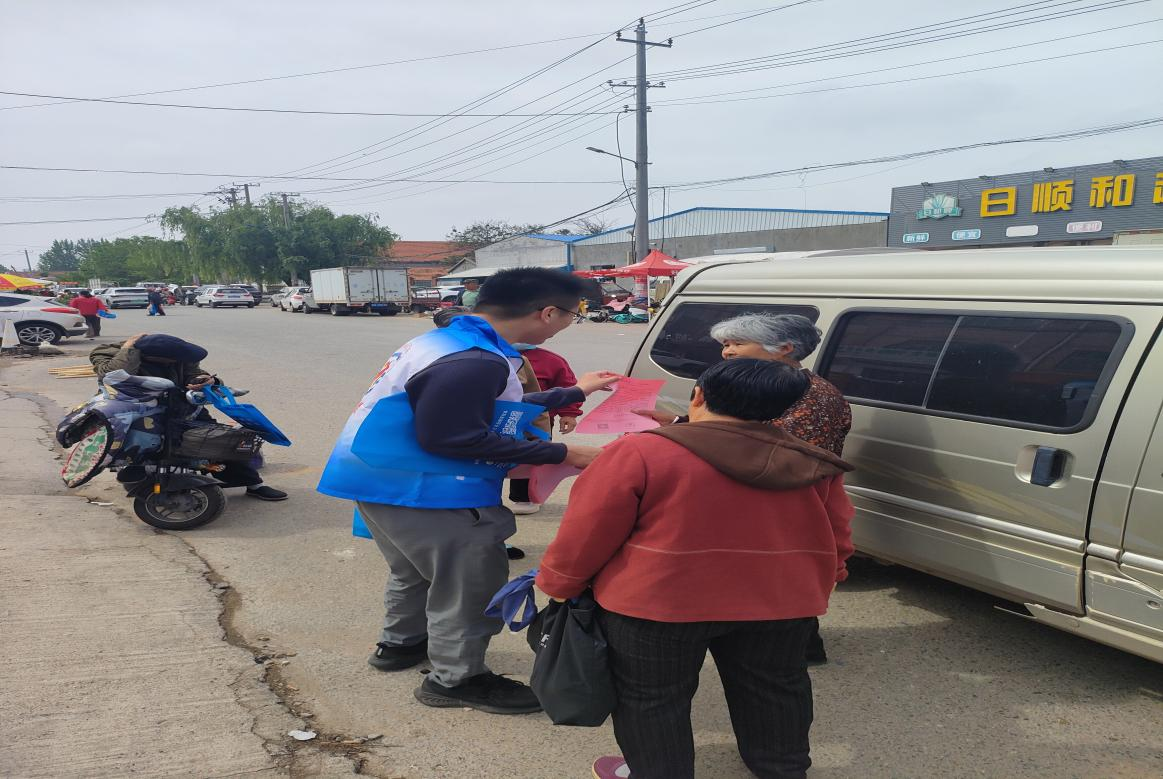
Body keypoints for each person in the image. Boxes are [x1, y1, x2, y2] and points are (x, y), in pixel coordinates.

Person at [317, 268, 620, 715]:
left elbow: (483, 408)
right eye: (573, 315)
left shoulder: (451, 341)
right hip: (432, 491)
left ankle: (401, 645)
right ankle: (456, 679)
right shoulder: (475, 360)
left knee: (415, 573)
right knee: (468, 586)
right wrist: (564, 453)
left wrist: (572, 392)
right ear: (547, 312)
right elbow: (453, 436)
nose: (568, 324)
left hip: (381, 479)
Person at [538, 359, 854, 779]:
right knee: (775, 687)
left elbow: (588, 531)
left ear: (699, 396)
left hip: (655, 604)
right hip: (781, 603)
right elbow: (836, 533)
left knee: (652, 697)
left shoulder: (641, 452)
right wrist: (829, 576)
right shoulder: (808, 461)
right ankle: (782, 769)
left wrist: (560, 582)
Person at [635, 313, 852, 665]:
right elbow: (742, 431)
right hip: (764, 494)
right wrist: (678, 422)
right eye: (725, 344)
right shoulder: (765, 384)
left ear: (784, 349)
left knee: (781, 578)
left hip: (787, 498)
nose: (728, 352)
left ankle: (800, 646)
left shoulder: (813, 396)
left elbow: (763, 445)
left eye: (738, 343)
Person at [90, 333, 288, 502]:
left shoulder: (180, 355)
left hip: (181, 407)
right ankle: (143, 475)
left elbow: (195, 374)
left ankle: (253, 484)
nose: (175, 363)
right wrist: (129, 349)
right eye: (170, 361)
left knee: (219, 440)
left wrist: (204, 380)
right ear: (153, 356)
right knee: (143, 447)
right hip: (136, 411)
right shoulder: (107, 353)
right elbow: (111, 375)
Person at [507, 342, 582, 516]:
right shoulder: (489, 355)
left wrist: (569, 413)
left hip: (536, 422)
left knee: (531, 457)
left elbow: (567, 387)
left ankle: (525, 497)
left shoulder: (551, 361)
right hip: (495, 418)